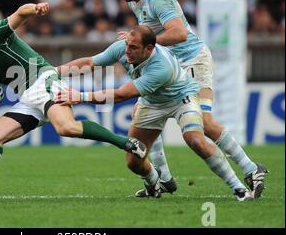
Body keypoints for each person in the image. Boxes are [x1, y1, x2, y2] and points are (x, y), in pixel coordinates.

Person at [0, 2, 145, 200]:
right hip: (27, 98)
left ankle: (126, 143)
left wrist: (35, 9)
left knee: (66, 128)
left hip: (43, 80)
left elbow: (20, 13)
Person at [114, 0, 267, 198]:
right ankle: (164, 178)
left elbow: (180, 33)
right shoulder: (136, 2)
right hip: (172, 67)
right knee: (141, 111)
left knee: (203, 123)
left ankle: (250, 168)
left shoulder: (159, 0)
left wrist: (147, 42)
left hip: (192, 61)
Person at [55, 26, 253, 201]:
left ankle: (239, 188)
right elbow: (90, 63)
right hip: (152, 103)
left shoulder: (161, 66)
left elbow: (123, 94)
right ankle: (154, 182)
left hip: (181, 98)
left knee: (195, 140)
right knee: (133, 161)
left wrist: (80, 96)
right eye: (127, 45)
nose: (127, 52)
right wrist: (55, 71)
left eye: (134, 48)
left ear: (149, 49)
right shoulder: (123, 47)